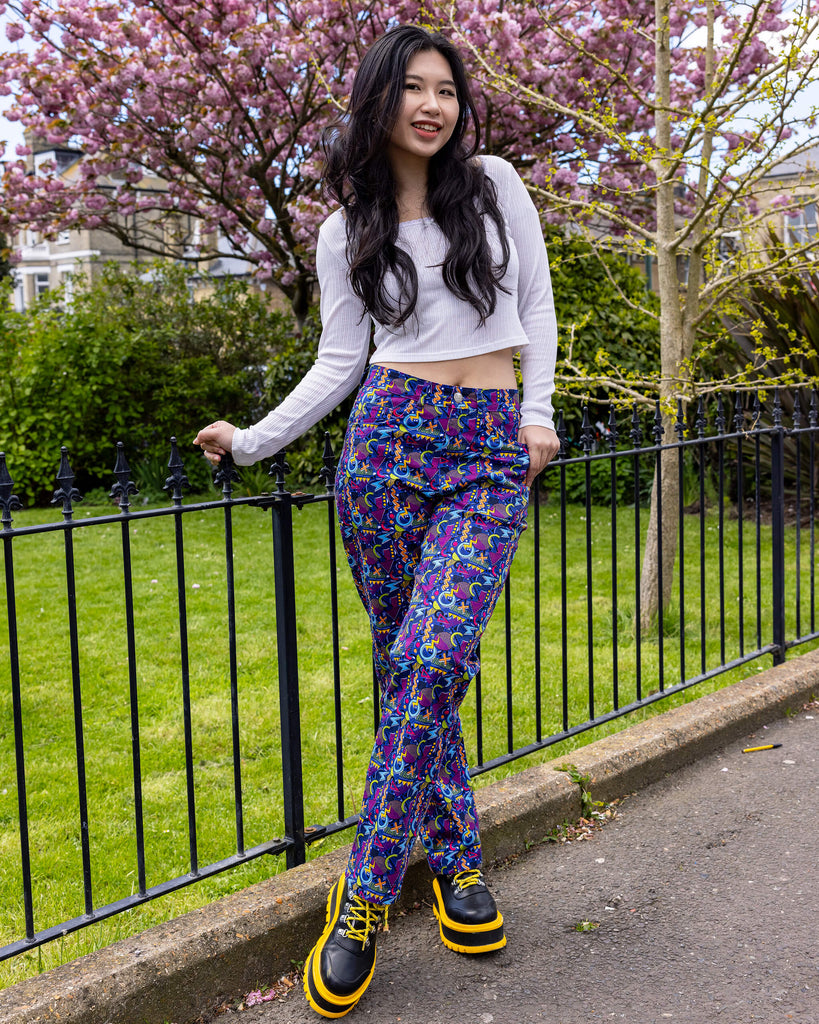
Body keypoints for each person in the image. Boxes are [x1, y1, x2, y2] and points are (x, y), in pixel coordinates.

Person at [193, 23, 559, 1018]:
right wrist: (255, 440)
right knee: (413, 669)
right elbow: (338, 363)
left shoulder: (492, 186)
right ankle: (459, 866)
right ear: (380, 102)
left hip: (486, 446)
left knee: (438, 660)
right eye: (415, 90)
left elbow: (538, 302)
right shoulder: (340, 228)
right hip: (386, 448)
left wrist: (536, 415)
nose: (434, 105)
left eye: (447, 88)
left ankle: (361, 893)